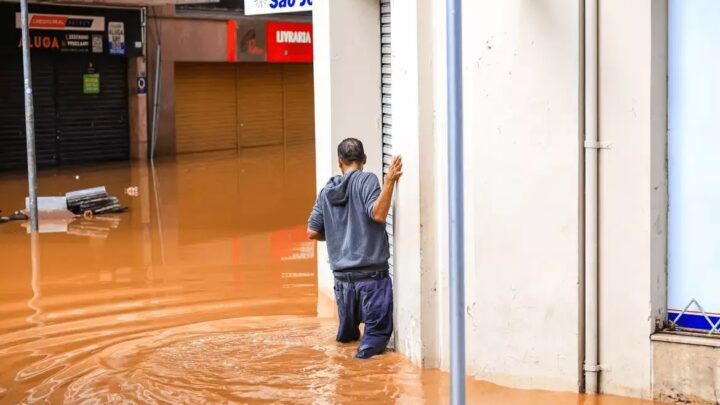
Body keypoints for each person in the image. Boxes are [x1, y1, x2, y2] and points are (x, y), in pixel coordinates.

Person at [307, 138, 403, 359]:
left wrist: (336, 236)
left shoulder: (326, 192)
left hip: (342, 283)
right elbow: (378, 214)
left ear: (340, 162)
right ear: (365, 160)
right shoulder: (367, 180)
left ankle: (345, 381)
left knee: (347, 340)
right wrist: (389, 182)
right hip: (372, 280)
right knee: (372, 345)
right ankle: (361, 383)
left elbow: (311, 232)